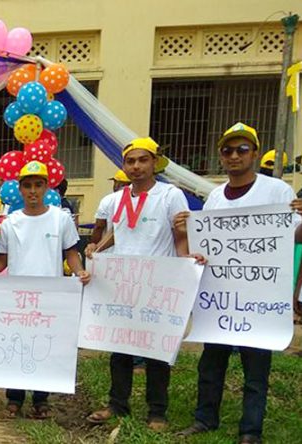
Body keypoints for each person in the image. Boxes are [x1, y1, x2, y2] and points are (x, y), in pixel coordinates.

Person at [174, 123, 302, 444]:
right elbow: (207, 245)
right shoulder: (215, 195)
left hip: (259, 301)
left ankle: (250, 431)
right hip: (219, 300)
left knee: (256, 370)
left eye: (242, 149)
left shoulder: (277, 191)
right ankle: (205, 419)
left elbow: (293, 235)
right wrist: (188, 237)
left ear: (255, 154)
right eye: (228, 150)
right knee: (210, 365)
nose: (234, 156)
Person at [84, 137, 198, 431]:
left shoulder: (170, 195)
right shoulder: (116, 198)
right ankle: (117, 405)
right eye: (130, 161)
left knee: (156, 352)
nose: (136, 166)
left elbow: (180, 234)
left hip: (157, 284)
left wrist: (186, 261)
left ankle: (157, 412)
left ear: (154, 163)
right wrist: (97, 248)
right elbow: (116, 233)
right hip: (123, 284)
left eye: (142, 160)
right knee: (119, 349)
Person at [0, 160, 90, 418]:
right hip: (17, 300)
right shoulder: (10, 223)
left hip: (50, 299)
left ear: (47, 187)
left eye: (38, 185)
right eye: (28, 186)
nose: (33, 191)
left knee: (45, 345)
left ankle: (41, 400)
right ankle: (14, 398)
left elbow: (71, 253)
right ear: (20, 189)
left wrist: (80, 271)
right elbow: (1, 261)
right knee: (18, 344)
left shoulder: (61, 219)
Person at [85, 170, 130, 255]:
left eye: (115, 182)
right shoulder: (140, 198)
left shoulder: (108, 199)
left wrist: (94, 245)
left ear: (120, 183)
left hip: (108, 252)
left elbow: (99, 226)